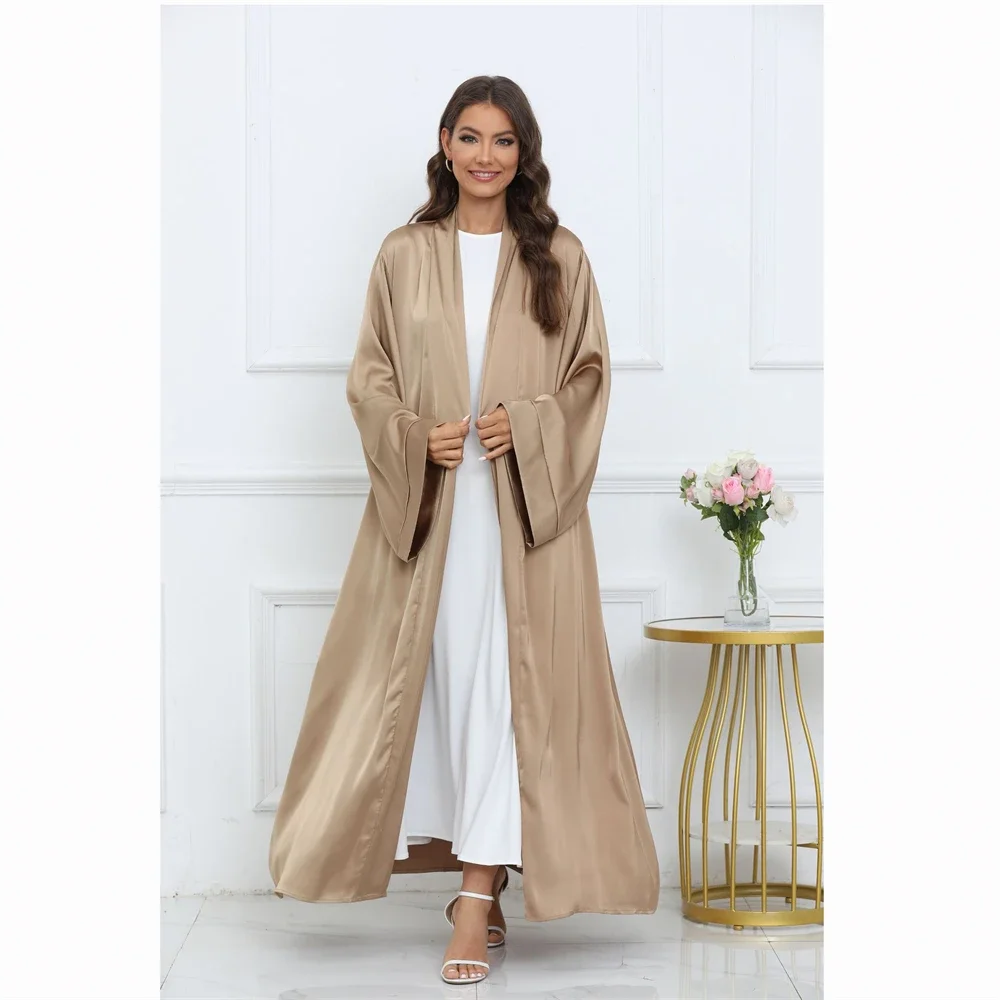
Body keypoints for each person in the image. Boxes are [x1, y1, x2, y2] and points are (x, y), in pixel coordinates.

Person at [268, 75, 659, 987]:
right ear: (445, 143)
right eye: (472, 137)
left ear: (525, 153)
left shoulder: (559, 254)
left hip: (525, 520)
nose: (487, 156)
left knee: (507, 694)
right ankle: (475, 873)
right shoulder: (404, 254)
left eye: (505, 140)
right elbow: (369, 378)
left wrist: (526, 424)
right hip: (430, 516)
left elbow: (590, 377)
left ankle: (475, 902)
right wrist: (416, 435)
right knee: (438, 694)